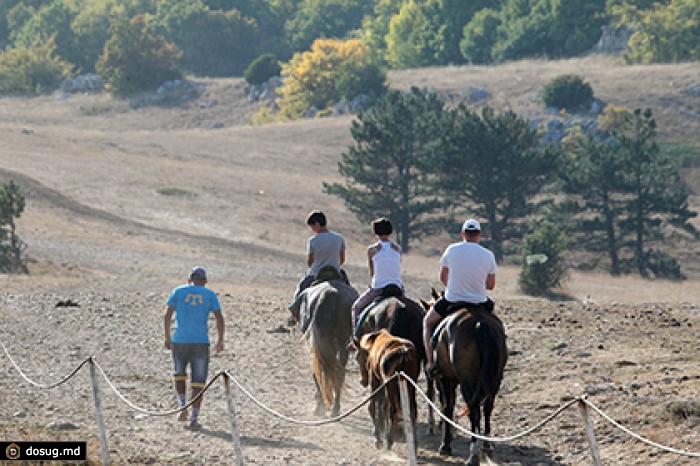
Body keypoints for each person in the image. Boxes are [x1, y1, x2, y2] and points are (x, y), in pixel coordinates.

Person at [422, 219, 497, 374]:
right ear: (479, 235)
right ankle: (500, 358)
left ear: (463, 234)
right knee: (498, 327)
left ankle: (430, 363)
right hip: (480, 301)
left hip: (452, 299)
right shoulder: (488, 255)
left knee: (428, 323)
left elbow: (443, 277)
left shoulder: (451, 250)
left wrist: (456, 286)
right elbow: (490, 286)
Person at [164, 266, 225, 430]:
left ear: (189, 279)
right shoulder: (210, 295)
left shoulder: (178, 291)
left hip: (180, 339)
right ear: (204, 281)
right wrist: (220, 340)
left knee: (179, 374)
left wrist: (167, 336)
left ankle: (182, 405)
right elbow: (219, 317)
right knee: (198, 381)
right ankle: (194, 416)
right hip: (200, 341)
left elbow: (168, 314)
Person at [288, 210, 347, 323]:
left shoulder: (313, 240)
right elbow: (342, 259)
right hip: (336, 272)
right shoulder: (339, 238)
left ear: (317, 224)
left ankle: (294, 313)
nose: (312, 230)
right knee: (349, 289)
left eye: (312, 226)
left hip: (316, 274)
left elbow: (310, 261)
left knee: (301, 289)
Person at [351, 217, 403, 333]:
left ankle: (355, 338)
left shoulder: (372, 250)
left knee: (356, 307)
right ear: (390, 231)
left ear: (375, 232)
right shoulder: (397, 248)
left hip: (379, 287)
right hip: (398, 287)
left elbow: (372, 272)